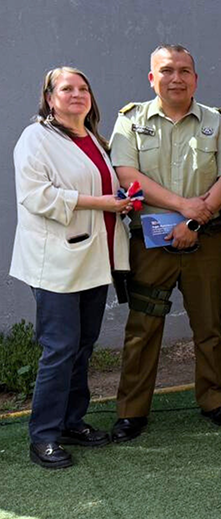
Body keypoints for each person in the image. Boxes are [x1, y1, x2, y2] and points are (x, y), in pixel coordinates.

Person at [109, 44, 221, 442]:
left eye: (185, 70)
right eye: (167, 70)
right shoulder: (130, 121)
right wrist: (184, 206)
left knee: (209, 325)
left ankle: (216, 400)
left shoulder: (217, 122)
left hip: (206, 240)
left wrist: (194, 222)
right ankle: (132, 411)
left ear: (195, 79)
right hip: (150, 242)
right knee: (143, 327)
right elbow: (125, 171)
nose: (177, 78)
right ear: (152, 78)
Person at [10, 67, 132, 468]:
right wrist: (104, 204)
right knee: (59, 348)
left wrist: (121, 200)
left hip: (96, 260)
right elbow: (38, 196)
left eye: (83, 88)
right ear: (49, 98)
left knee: (82, 346)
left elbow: (101, 190)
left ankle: (71, 422)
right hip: (57, 263)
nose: (77, 94)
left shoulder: (94, 139)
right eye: (67, 89)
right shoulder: (36, 138)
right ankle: (42, 435)